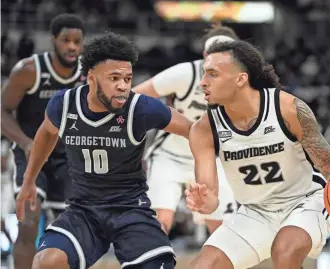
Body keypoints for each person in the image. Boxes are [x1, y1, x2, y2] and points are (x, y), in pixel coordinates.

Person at [185, 40, 330, 269]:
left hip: (305, 201)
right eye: (204, 74)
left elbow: (329, 165)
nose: (202, 83)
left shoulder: (288, 108)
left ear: (240, 79)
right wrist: (204, 202)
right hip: (255, 211)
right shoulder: (202, 130)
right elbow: (211, 198)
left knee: (285, 250)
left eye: (212, 74)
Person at [16, 31, 192, 269]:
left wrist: (206, 177)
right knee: (47, 262)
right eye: (114, 78)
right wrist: (29, 180)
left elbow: (195, 131)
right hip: (84, 209)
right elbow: (46, 133)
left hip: (130, 209)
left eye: (128, 79)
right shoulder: (65, 103)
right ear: (91, 77)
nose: (122, 86)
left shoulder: (140, 107)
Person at [132, 24, 238, 234]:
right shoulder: (184, 74)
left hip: (211, 158)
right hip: (169, 156)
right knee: (159, 225)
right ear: (205, 55)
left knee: (225, 232)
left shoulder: (240, 82)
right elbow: (134, 98)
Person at [1, 14, 85, 269]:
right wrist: (26, 143)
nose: (71, 46)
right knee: (28, 222)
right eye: (65, 40)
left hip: (67, 156)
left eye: (77, 41)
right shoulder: (29, 70)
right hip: (31, 154)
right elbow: (2, 110)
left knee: (71, 230)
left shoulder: (88, 74)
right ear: (53, 41)